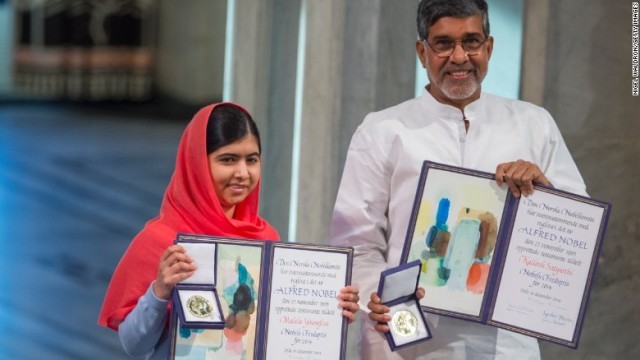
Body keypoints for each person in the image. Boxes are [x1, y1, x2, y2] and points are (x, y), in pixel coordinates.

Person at [330, 0, 587, 359]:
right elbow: (356, 243)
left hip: (505, 343)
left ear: (489, 47)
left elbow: (578, 240)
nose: (460, 56)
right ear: (422, 51)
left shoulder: (533, 124)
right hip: (407, 340)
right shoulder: (383, 130)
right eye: (443, 43)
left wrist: (545, 193)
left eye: (471, 41)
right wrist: (384, 295)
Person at [98, 102, 360, 359]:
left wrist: (327, 312)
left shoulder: (266, 239)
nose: (243, 173)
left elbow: (276, 333)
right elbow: (134, 345)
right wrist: (159, 292)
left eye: (252, 160)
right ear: (197, 164)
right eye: (228, 159)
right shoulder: (162, 241)